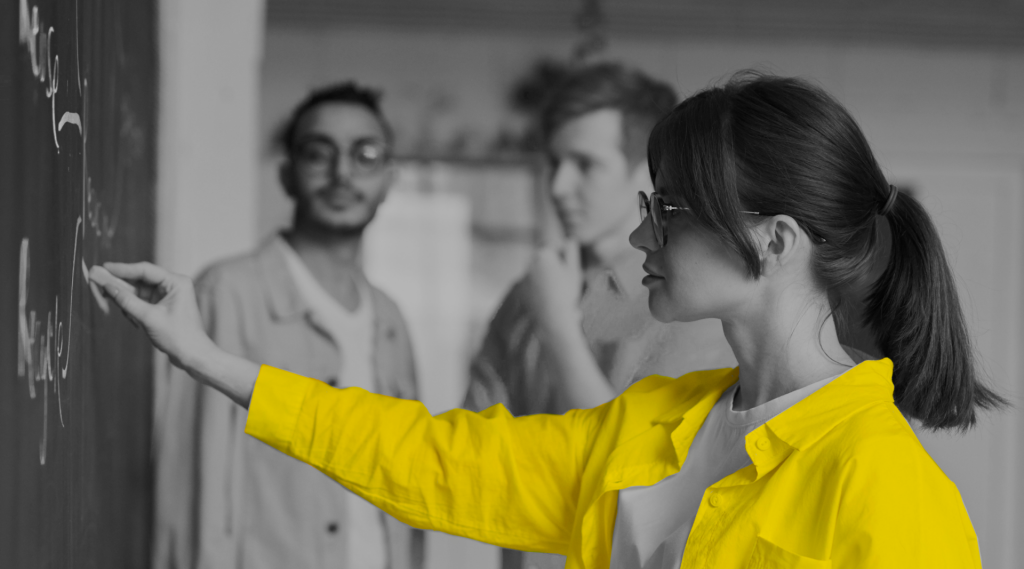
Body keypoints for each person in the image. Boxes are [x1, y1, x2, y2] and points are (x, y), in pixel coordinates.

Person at [95, 72, 1003, 568]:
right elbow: (434, 458)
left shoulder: (889, 493)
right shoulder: (658, 422)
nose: (643, 232)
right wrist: (215, 360)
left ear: (771, 242)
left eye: (671, 211)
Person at [466, 63, 735, 569]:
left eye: (585, 165)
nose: (560, 186)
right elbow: (480, 443)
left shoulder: (693, 306)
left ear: (647, 172)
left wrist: (556, 328)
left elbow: (636, 470)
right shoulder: (528, 294)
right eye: (555, 163)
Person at [151, 83, 423, 569]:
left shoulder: (391, 321)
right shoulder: (228, 293)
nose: (342, 174)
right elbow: (192, 483)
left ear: (389, 178)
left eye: (365, 155)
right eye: (319, 153)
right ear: (287, 174)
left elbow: (410, 481)